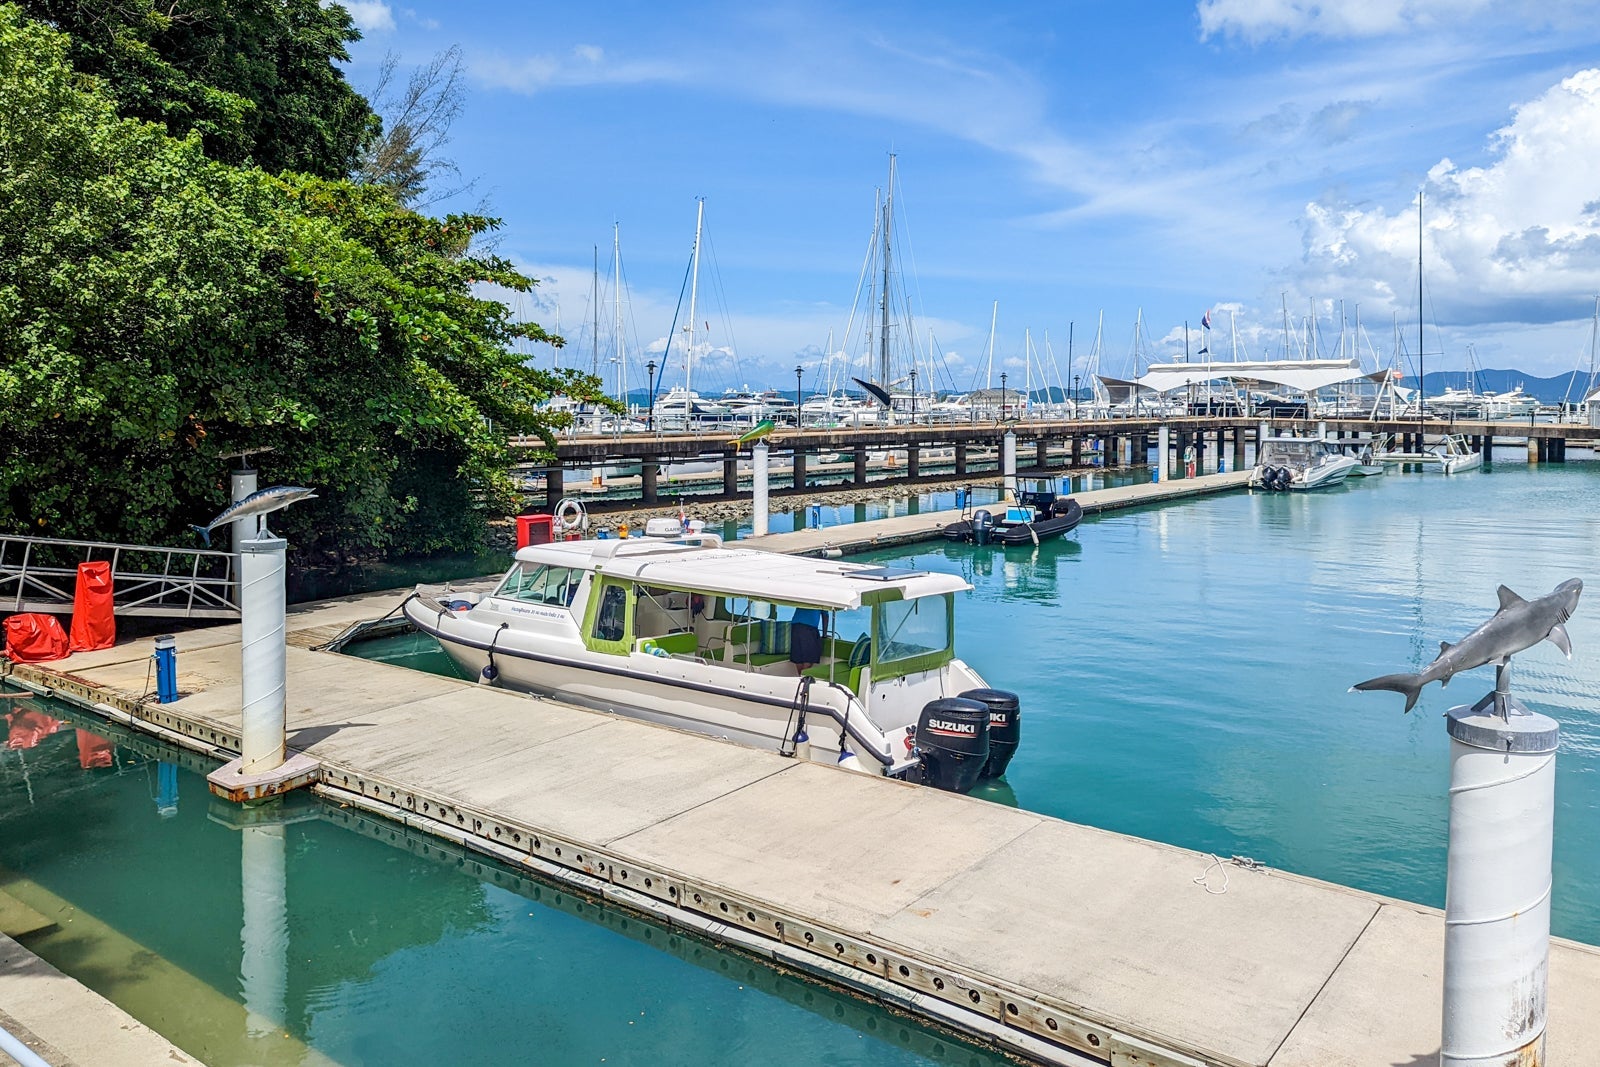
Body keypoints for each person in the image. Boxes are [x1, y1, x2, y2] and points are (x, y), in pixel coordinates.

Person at [788, 606, 823, 673]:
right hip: (809, 627)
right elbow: (825, 617)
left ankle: (800, 676)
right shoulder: (822, 600)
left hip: (795, 625)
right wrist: (824, 635)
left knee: (798, 656)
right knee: (810, 657)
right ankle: (803, 677)